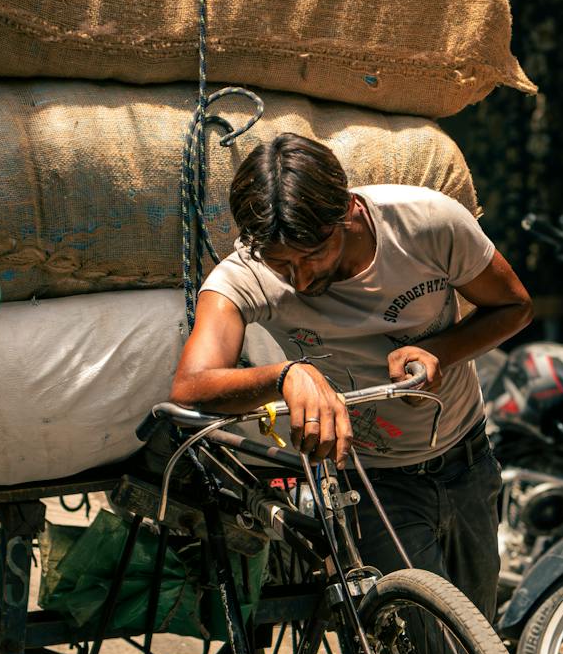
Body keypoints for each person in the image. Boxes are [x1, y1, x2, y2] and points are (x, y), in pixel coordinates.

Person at [169, 133, 533, 620]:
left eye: (312, 254)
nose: (299, 280)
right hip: (367, 483)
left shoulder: (427, 223)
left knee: (480, 648)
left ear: (347, 212)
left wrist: (436, 353)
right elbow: (192, 383)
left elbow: (514, 306)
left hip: (467, 459)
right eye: (283, 265)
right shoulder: (247, 273)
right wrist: (286, 375)